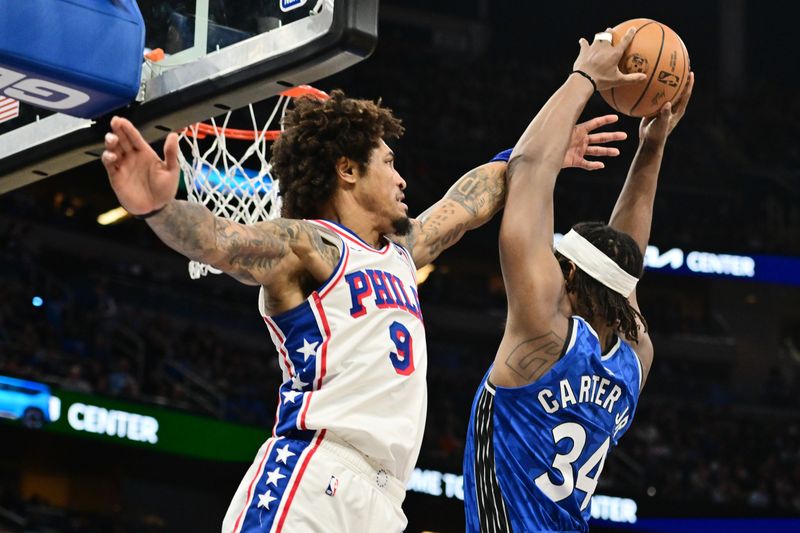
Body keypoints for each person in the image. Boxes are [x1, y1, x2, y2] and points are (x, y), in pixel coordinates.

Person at [101, 82, 627, 531]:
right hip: (313, 476)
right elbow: (223, 241)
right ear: (348, 170)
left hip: (384, 503)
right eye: (390, 163)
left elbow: (468, 203)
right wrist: (160, 209)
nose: (402, 180)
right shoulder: (308, 245)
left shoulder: (402, 251)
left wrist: (544, 152)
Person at [462, 30, 694, 532]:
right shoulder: (634, 357)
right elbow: (622, 264)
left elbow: (526, 170)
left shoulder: (542, 330)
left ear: (566, 271)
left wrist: (584, 77)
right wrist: (652, 148)